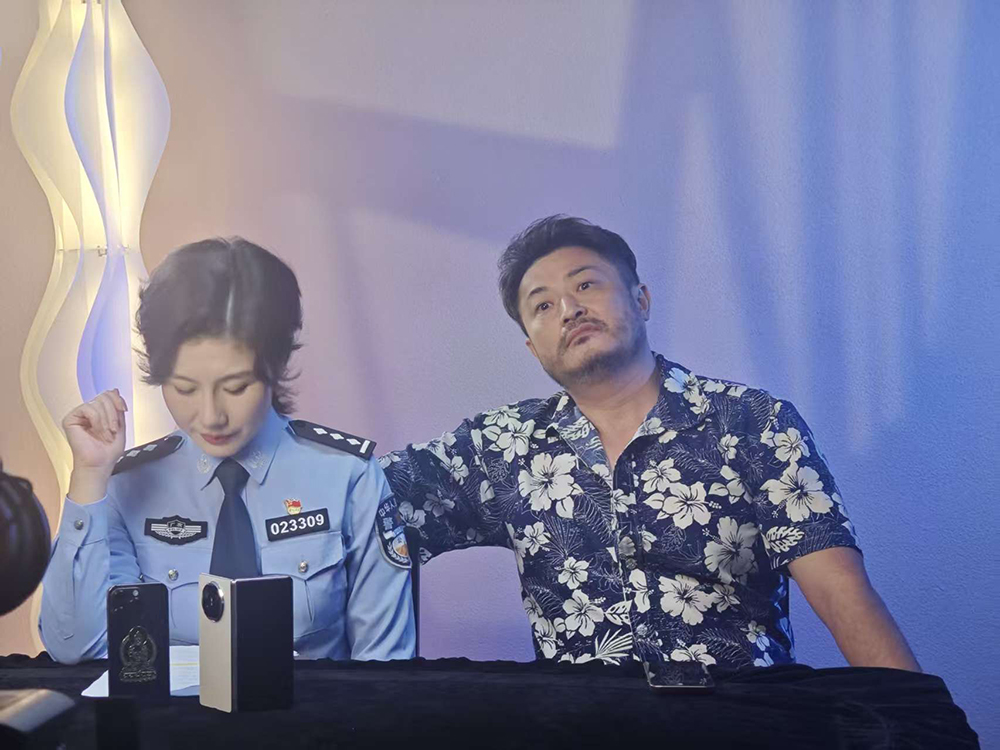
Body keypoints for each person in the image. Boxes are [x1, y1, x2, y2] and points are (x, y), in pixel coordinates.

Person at [382, 215, 920, 671]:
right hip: (579, 729)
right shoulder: (500, 447)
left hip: (745, 721)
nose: (569, 309)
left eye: (585, 285)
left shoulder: (751, 420)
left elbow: (840, 590)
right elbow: (361, 496)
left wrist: (919, 721)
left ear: (641, 300)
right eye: (542, 306)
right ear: (532, 348)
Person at [40, 237, 414, 664]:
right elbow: (75, 647)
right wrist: (89, 478)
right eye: (184, 389)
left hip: (312, 709)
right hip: (172, 709)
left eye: (235, 387)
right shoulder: (126, 485)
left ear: (276, 365)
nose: (211, 416)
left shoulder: (348, 476)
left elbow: (386, 666)